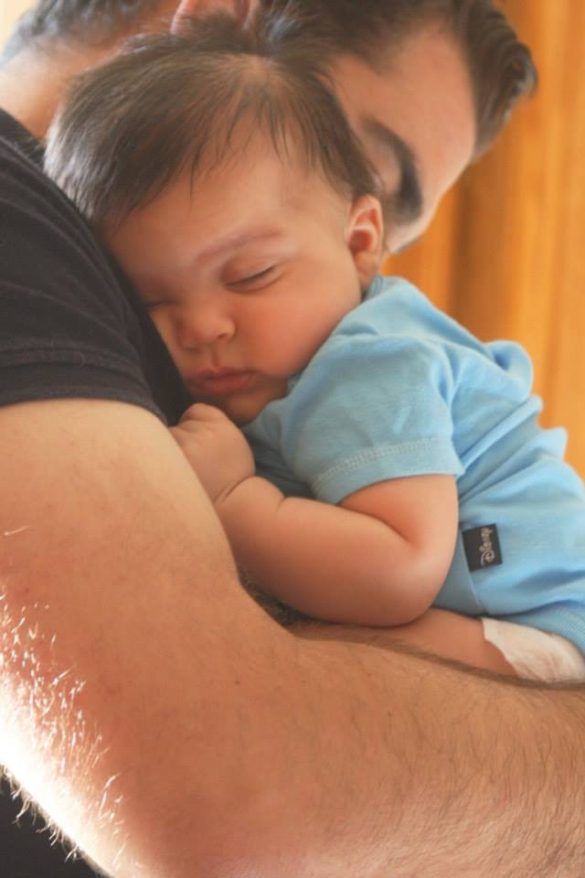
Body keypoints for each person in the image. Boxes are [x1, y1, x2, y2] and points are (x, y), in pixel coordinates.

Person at [3, 1, 584, 876]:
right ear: (209, 24)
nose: (203, 325)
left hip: (527, 611)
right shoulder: (36, 238)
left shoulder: (363, 358)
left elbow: (397, 568)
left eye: (252, 272)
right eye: (155, 299)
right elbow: (233, 802)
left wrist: (238, 502)